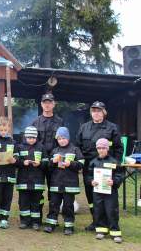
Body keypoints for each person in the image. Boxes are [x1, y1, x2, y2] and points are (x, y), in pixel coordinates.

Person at [76, 101, 123, 231]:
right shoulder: (84, 127)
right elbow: (78, 147)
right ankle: (96, 221)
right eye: (94, 111)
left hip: (107, 167)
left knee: (107, 196)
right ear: (91, 113)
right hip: (89, 168)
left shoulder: (112, 128)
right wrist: (80, 162)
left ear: (104, 112)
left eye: (99, 110)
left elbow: (119, 148)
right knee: (91, 196)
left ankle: (109, 222)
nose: (96, 113)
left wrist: (116, 165)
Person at [44, 127, 84, 236]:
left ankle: (69, 226)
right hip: (56, 183)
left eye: (63, 138)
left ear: (68, 138)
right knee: (53, 204)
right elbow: (48, 167)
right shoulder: (55, 151)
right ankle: (51, 224)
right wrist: (53, 161)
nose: (61, 140)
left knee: (68, 206)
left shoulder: (75, 149)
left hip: (70, 184)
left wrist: (70, 164)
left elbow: (81, 164)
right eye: (59, 139)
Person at [31, 93, 64, 221]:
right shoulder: (35, 122)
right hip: (39, 162)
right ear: (41, 104)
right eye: (45, 102)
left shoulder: (60, 121)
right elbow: (30, 142)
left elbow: (63, 141)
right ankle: (37, 218)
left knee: (54, 191)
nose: (47, 104)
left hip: (54, 162)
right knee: (37, 191)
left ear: (54, 104)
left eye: (50, 102)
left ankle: (52, 218)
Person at [86, 138, 124, 243]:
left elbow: (120, 175)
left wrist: (114, 182)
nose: (101, 150)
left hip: (110, 192)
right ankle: (101, 231)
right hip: (97, 192)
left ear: (107, 149)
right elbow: (88, 176)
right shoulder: (93, 162)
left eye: (103, 148)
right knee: (98, 210)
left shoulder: (114, 161)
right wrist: (91, 181)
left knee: (112, 211)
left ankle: (115, 232)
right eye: (99, 148)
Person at [16, 126, 46, 230]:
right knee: (23, 202)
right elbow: (15, 161)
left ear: (36, 137)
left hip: (37, 181)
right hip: (23, 181)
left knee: (35, 203)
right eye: (29, 138)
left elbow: (47, 162)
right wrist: (22, 162)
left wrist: (40, 164)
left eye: (33, 138)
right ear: (25, 137)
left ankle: (36, 222)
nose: (31, 140)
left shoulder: (41, 147)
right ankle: (24, 221)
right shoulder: (19, 147)